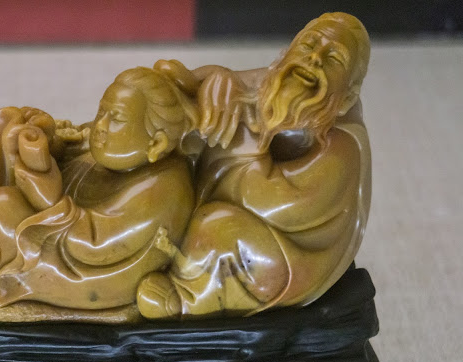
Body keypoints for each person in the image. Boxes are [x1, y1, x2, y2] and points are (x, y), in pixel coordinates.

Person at [137, 12, 372, 319]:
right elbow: (230, 85)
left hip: (289, 255)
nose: (314, 59)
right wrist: (213, 81)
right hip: (236, 222)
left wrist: (242, 134)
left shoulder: (344, 148)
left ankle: (186, 299)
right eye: (308, 45)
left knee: (216, 224)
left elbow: (276, 204)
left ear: (347, 97)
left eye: (334, 59)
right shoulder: (282, 81)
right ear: (284, 56)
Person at [0, 65, 198, 311]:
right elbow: (77, 143)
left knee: (1, 207)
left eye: (116, 118)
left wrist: (50, 202)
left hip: (74, 264)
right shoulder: (116, 150)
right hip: (54, 210)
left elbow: (97, 246)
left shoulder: (164, 190)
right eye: (101, 112)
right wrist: (50, 139)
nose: (101, 126)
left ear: (156, 143)